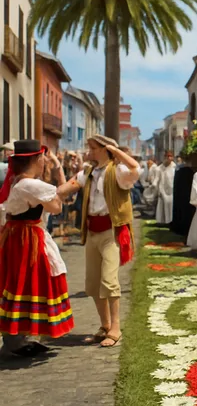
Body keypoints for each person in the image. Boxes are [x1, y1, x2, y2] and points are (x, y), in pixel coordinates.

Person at [57, 135, 140, 348]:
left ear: (104, 149)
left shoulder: (118, 171)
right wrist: (53, 179)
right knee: (93, 283)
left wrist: (116, 151)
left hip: (111, 232)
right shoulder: (88, 172)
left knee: (109, 280)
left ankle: (116, 328)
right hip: (93, 232)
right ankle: (105, 325)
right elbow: (66, 188)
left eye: (93, 148)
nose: (89, 151)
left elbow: (135, 168)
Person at [0, 140, 72, 357]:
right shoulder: (30, 185)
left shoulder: (18, 181)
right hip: (28, 239)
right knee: (30, 282)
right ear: (37, 159)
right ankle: (17, 339)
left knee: (18, 283)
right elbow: (56, 207)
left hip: (18, 237)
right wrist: (71, 181)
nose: (44, 161)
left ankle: (18, 336)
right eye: (42, 158)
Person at [155, 151, 176, 224]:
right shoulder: (159, 168)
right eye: (167, 156)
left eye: (170, 156)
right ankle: (164, 221)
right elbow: (157, 179)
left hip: (172, 189)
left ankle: (172, 221)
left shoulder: (175, 167)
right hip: (163, 188)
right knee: (164, 204)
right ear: (165, 157)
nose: (169, 158)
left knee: (171, 205)